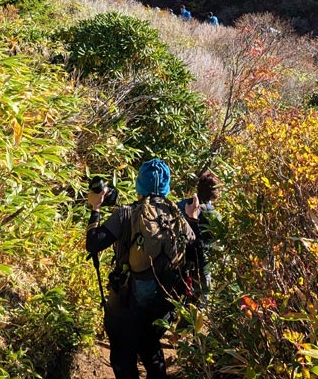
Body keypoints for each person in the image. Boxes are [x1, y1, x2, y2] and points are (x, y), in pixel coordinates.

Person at [86, 158, 197, 379]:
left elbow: (94, 243)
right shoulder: (178, 219)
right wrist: (192, 219)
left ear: (139, 185)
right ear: (167, 186)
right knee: (151, 350)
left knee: (123, 358)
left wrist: (96, 207)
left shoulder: (126, 214)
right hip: (162, 308)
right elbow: (194, 258)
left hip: (125, 307)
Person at [177, 170, 220, 301]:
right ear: (215, 193)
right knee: (200, 302)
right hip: (201, 264)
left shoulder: (182, 205)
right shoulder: (213, 215)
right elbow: (218, 245)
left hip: (179, 261)